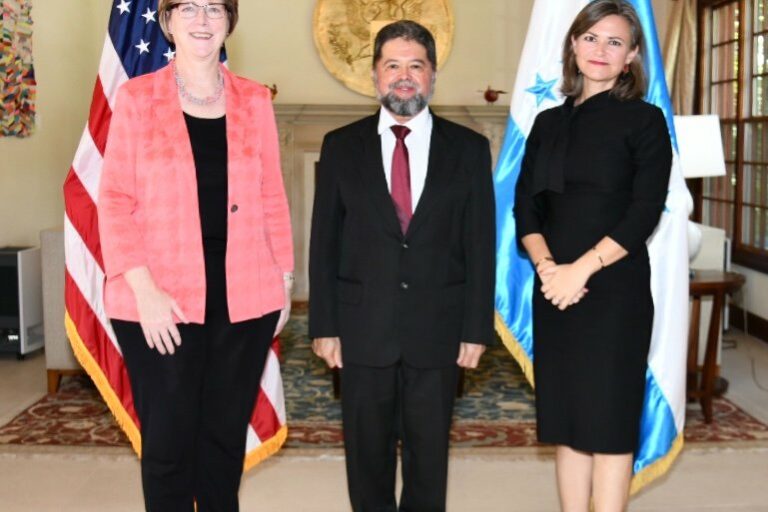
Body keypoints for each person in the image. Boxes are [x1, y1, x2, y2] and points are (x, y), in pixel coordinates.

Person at [97, 1, 293, 510]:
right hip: (158, 300)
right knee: (168, 446)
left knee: (223, 445)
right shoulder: (136, 98)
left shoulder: (255, 100)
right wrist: (145, 292)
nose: (202, 20)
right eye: (188, 8)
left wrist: (285, 280)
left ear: (229, 21)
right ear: (167, 22)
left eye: (214, 9)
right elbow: (114, 199)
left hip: (246, 297)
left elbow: (272, 194)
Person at [309, 20, 496, 512]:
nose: (404, 76)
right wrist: (324, 325)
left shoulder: (469, 149)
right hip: (361, 327)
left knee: (428, 460)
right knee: (366, 458)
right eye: (393, 65)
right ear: (375, 75)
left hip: (439, 328)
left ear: (433, 75)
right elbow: (323, 243)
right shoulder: (340, 146)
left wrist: (476, 329)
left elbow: (481, 245)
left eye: (416, 65)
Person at [514, 1, 672, 510]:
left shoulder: (645, 121)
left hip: (613, 293)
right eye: (591, 38)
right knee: (568, 423)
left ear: (632, 56)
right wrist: (549, 270)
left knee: (609, 426)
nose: (600, 50)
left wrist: (579, 270)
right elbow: (525, 209)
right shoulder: (546, 123)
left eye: (614, 42)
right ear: (573, 45)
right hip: (555, 291)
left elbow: (644, 212)